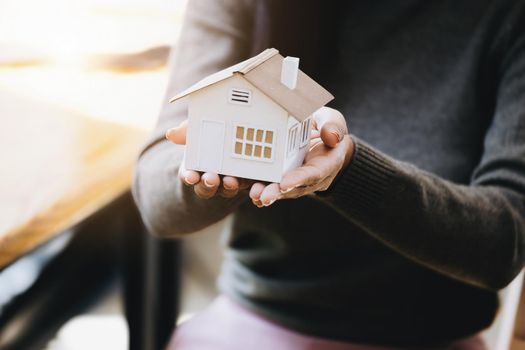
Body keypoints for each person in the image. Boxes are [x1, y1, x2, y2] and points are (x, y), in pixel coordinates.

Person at [132, 0, 525, 349]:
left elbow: (503, 243)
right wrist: (221, 163)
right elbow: (156, 198)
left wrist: (348, 172)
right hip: (258, 319)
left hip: (428, 336)